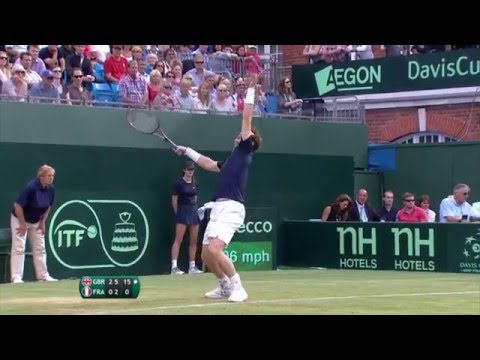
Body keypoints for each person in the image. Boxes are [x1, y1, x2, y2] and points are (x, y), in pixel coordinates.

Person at [173, 74, 261, 302]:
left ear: (250, 141)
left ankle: (237, 286)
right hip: (218, 208)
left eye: (245, 134)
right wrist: (188, 150)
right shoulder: (232, 158)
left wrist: (250, 90)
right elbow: (207, 163)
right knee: (207, 256)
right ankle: (223, 286)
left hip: (232, 207)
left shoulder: (245, 150)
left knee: (214, 250)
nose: (240, 135)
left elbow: (247, 117)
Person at [10, 164, 58, 283]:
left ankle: (43, 276)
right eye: (49, 175)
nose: (51, 178)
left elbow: (48, 207)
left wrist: (43, 222)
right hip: (20, 219)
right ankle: (16, 277)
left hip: (36, 221)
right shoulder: (30, 187)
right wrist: (22, 224)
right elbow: (17, 205)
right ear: (41, 177)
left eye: (53, 176)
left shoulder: (51, 189)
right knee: (19, 248)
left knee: (40, 248)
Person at [170, 160, 203, 275]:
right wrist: (178, 213)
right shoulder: (178, 183)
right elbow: (174, 201)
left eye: (192, 170)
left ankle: (192, 267)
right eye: (188, 169)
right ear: (184, 170)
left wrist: (195, 209)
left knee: (193, 241)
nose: (190, 172)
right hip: (182, 211)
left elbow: (196, 198)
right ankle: (174, 267)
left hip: (193, 212)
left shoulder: (195, 183)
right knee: (178, 240)